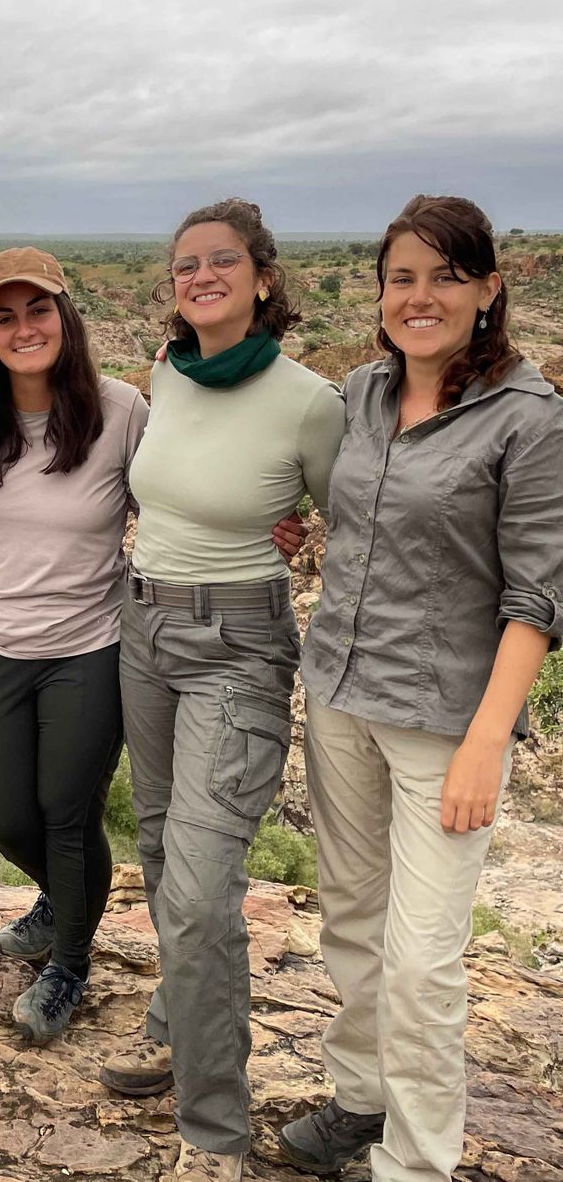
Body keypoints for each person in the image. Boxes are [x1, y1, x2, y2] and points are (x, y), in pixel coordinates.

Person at [277, 196, 563, 1182]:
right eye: (400, 276)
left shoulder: (524, 417)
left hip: (445, 721)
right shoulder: (360, 394)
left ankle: (417, 1158)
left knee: (422, 956)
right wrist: (291, 529)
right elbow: (343, 509)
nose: (419, 295)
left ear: (487, 289)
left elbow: (534, 590)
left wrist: (490, 735)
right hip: (341, 693)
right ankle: (358, 1096)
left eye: (444, 275)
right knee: (350, 918)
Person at [98, 199, 346, 1182]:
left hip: (237, 642)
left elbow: (347, 519)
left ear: (260, 277)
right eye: (184, 264)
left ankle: (212, 1132)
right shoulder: (167, 372)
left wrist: (291, 539)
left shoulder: (305, 398)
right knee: (159, 846)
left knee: (202, 891)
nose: (199, 275)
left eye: (220, 262)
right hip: (143, 622)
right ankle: (173, 1021)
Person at [0, 247, 149, 1043]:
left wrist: (265, 518)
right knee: (6, 817)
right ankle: (66, 899)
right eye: (5, 316)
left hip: (89, 645)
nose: (23, 328)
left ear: (66, 317)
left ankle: (68, 963)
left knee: (66, 814)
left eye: (38, 310)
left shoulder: (123, 410)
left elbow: (177, 495)